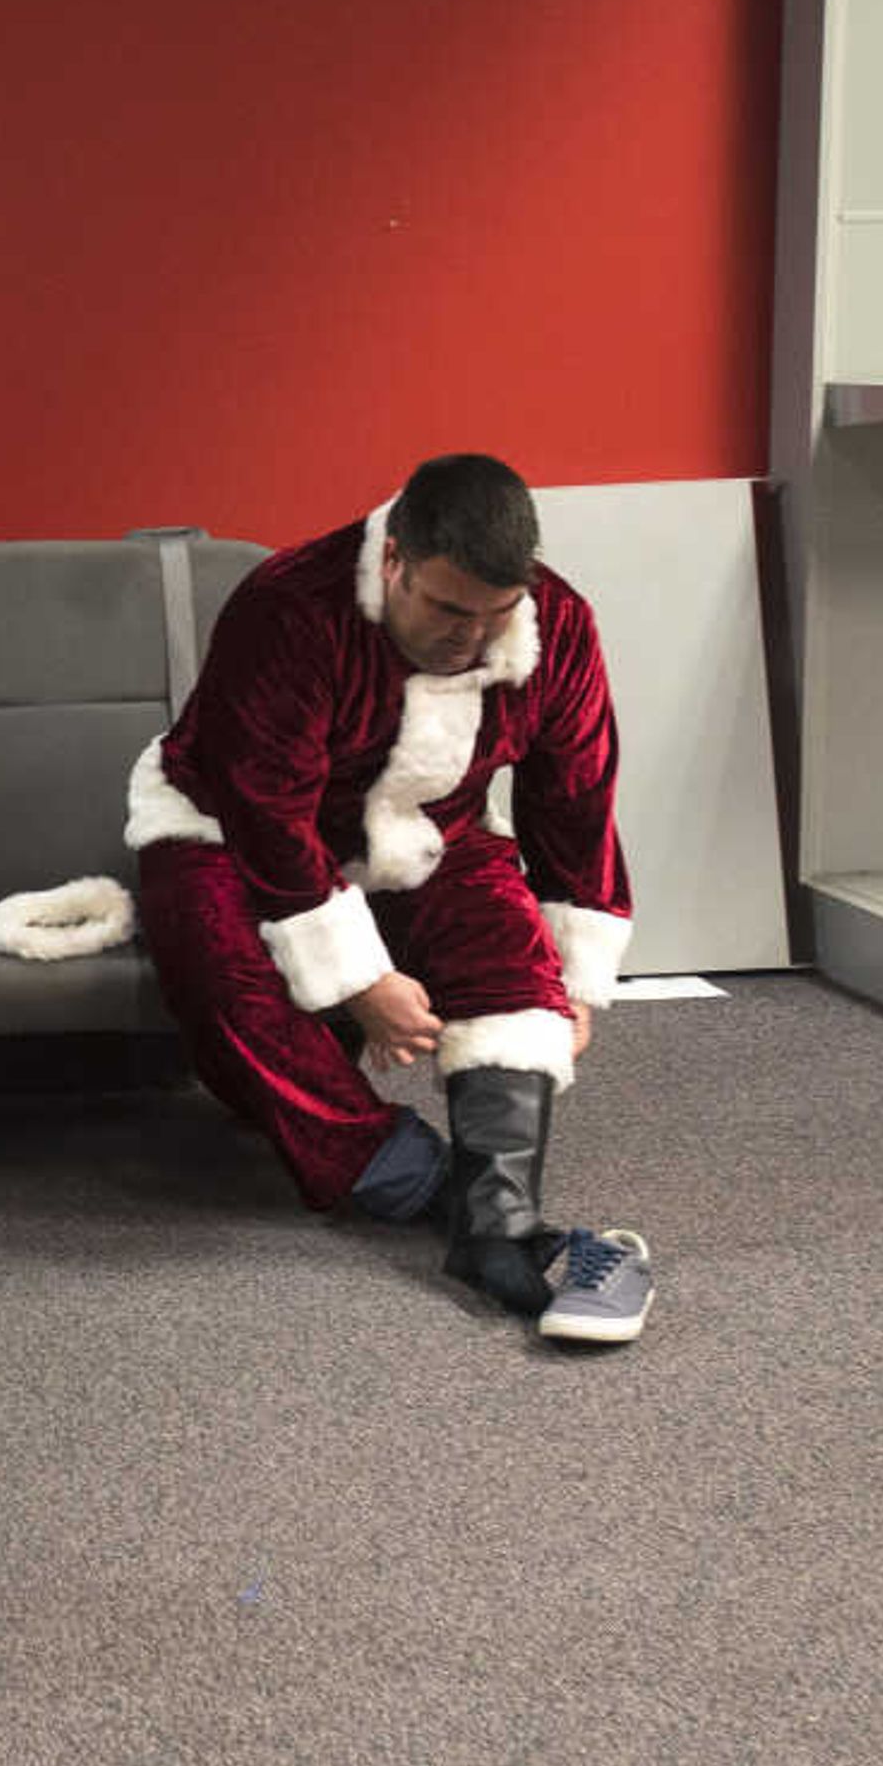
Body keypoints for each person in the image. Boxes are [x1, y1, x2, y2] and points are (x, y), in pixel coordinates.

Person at [126, 452, 652, 1342]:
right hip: (224, 819)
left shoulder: (556, 623)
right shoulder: (290, 604)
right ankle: (423, 1182)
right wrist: (359, 980)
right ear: (395, 559)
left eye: (493, 615)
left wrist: (572, 971)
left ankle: (497, 1229)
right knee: (218, 964)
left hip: (422, 826)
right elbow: (266, 809)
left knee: (511, 953)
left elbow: (575, 793)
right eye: (447, 609)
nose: (469, 638)